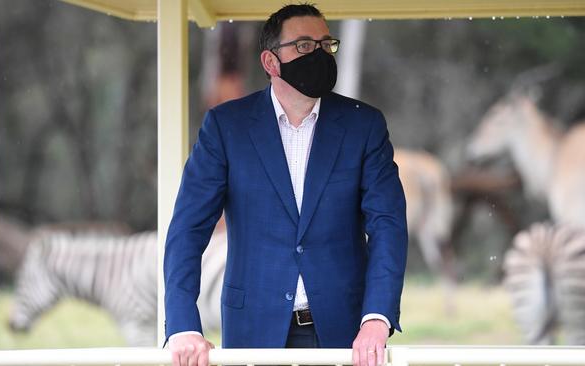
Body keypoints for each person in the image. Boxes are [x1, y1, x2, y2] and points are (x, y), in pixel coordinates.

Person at [164, 4, 408, 366]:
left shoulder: (364, 127)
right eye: (305, 46)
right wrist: (183, 326)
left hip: (346, 334)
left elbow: (388, 226)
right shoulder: (225, 127)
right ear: (270, 62)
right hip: (252, 332)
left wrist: (376, 317)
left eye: (326, 44)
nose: (320, 55)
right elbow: (187, 230)